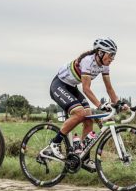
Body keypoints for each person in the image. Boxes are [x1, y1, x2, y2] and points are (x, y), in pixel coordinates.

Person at [43, 38, 128, 170]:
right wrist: (100, 105)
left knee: (88, 118)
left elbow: (109, 89)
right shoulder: (88, 61)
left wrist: (119, 104)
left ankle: (83, 157)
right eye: (111, 54)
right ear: (100, 53)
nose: (112, 58)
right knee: (80, 113)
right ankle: (55, 143)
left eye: (114, 55)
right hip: (59, 85)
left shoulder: (105, 65)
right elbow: (86, 89)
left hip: (72, 87)